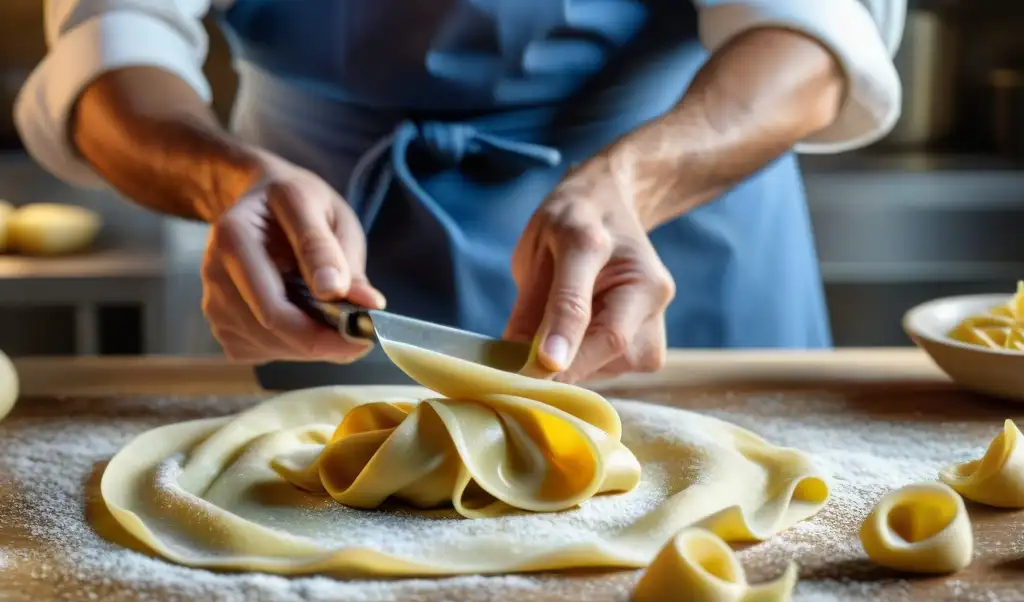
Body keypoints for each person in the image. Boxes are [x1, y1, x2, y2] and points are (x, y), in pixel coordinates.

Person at [16, 0, 904, 384]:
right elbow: (109, 50)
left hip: (666, 234)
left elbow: (816, 39)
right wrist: (226, 178)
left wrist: (631, 183)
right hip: (309, 249)